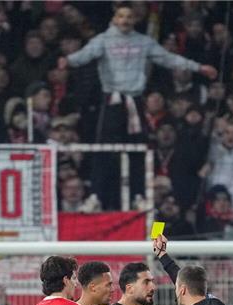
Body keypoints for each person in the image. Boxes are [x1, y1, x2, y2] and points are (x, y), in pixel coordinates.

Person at [60, 2, 216, 209]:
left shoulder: (144, 42)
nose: (125, 20)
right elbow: (83, 56)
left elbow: (168, 59)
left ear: (135, 20)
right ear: (115, 19)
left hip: (134, 102)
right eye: (121, 16)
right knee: (104, 150)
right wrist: (67, 60)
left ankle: (139, 196)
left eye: (129, 17)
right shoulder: (103, 40)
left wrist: (198, 68)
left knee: (138, 150)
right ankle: (95, 196)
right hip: (112, 101)